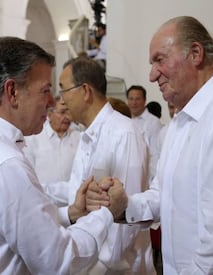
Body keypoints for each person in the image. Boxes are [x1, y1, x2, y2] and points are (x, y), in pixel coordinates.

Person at [89, 16, 213, 274]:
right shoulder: (181, 122)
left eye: (159, 60)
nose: (152, 75)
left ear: (195, 53)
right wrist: (124, 205)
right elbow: (164, 194)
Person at [0, 37, 127, 275]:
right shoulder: (5, 163)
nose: (52, 102)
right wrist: (107, 214)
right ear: (12, 91)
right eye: (45, 90)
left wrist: (72, 212)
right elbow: (60, 262)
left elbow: (11, 225)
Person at [44, 57, 155, 274]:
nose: (61, 100)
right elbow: (78, 190)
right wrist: (38, 189)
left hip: (117, 266)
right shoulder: (89, 133)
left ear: (85, 90)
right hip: (93, 259)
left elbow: (125, 213)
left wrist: (96, 265)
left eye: (64, 90)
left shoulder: (123, 133)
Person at [24, 96, 80, 186]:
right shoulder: (34, 139)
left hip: (73, 198)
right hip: (42, 197)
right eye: (62, 112)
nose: (67, 117)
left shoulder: (79, 138)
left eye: (69, 112)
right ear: (49, 115)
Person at [126, 85, 163, 182]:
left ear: (144, 100)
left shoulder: (153, 122)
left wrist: (150, 181)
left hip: (146, 178)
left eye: (137, 99)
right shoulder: (125, 120)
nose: (134, 103)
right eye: (131, 99)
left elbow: (155, 155)